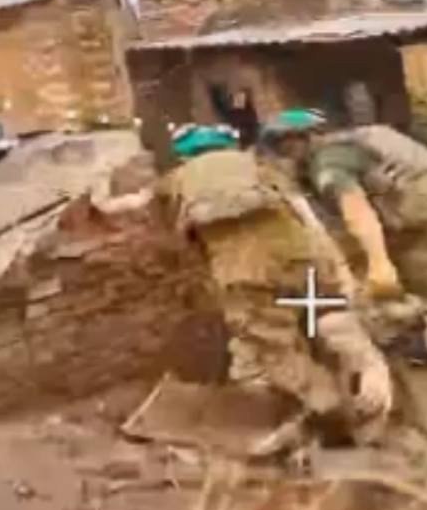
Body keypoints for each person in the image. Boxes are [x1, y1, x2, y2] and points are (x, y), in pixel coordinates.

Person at [166, 124, 393, 445]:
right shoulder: (261, 168)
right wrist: (337, 269)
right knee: (329, 320)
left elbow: (181, 247)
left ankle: (329, 409)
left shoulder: (178, 180)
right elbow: (308, 219)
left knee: (271, 348)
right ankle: (372, 374)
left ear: (184, 156)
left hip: (246, 273)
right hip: (302, 257)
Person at [259, 109, 404, 301]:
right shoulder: (317, 165)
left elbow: (357, 213)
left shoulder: (328, 163)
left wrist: (380, 266)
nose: (284, 150)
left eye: (287, 142)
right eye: (279, 145)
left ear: (308, 136)